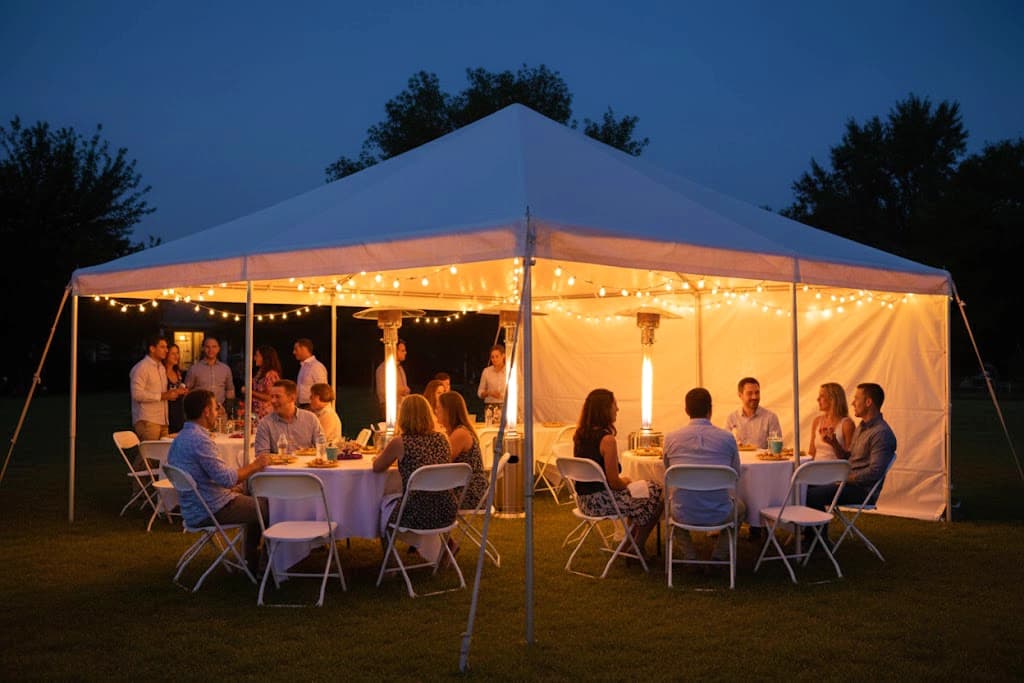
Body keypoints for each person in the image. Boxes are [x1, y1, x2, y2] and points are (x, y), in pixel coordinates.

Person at [167, 389, 270, 573]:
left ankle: (251, 559)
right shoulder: (200, 440)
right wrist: (256, 465)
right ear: (206, 411)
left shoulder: (180, 437)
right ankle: (266, 566)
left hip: (192, 506)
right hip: (209, 509)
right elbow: (227, 479)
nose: (218, 412)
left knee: (251, 500)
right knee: (268, 507)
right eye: (215, 408)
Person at [572, 388, 663, 559]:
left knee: (643, 493)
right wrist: (627, 481)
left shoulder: (579, 435)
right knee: (657, 492)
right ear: (605, 409)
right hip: (602, 502)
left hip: (584, 502)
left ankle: (629, 545)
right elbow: (614, 482)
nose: (617, 409)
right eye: (615, 405)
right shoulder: (607, 440)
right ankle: (636, 545)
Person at [662, 387, 745, 562]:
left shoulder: (670, 438)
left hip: (682, 511)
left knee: (669, 507)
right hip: (720, 512)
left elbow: (668, 473)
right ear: (710, 409)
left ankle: (690, 556)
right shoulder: (727, 438)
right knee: (742, 508)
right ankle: (719, 556)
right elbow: (735, 474)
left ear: (686, 410)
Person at [805, 383, 897, 539]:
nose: (853, 403)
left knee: (811, 494)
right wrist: (833, 443)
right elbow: (849, 457)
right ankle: (809, 535)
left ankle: (818, 542)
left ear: (868, 402)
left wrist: (844, 479)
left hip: (861, 490)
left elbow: (874, 472)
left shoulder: (881, 434)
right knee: (801, 486)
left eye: (856, 399)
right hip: (847, 483)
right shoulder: (862, 427)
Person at [373, 394, 457, 562]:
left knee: (381, 509)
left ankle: (389, 564)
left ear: (403, 416)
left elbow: (377, 467)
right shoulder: (443, 439)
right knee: (418, 498)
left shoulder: (400, 442)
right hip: (446, 510)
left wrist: (377, 457)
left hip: (415, 512)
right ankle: (444, 549)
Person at [437, 391, 488, 510]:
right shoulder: (455, 432)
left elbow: (441, 462)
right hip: (462, 487)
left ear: (448, 411)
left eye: (439, 408)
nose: (436, 411)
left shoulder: (460, 434)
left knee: (426, 499)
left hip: (470, 492)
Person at [129, 334, 183, 442]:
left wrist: (172, 393)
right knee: (149, 455)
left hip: (163, 420)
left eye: (167, 347)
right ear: (152, 349)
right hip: (148, 419)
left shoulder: (161, 368)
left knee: (162, 454)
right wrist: (162, 396)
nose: (166, 350)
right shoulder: (141, 368)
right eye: (162, 347)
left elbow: (161, 393)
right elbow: (137, 394)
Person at [254, 379, 325, 455]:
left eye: (277, 397)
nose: (273, 401)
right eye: (272, 396)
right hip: (278, 466)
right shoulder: (265, 423)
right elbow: (262, 455)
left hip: (306, 466)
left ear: (292, 398)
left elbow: (322, 448)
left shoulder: (311, 419)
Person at [724, 377, 782, 449]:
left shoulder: (770, 417)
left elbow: (775, 449)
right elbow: (726, 446)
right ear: (740, 395)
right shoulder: (732, 418)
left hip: (763, 460)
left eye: (757, 393)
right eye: (749, 393)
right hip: (739, 460)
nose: (754, 397)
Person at [185, 336, 236, 414]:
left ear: (219, 349)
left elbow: (230, 390)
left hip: (220, 411)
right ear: (203, 348)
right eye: (207, 347)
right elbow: (186, 391)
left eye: (214, 347)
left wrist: (228, 409)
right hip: (200, 412)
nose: (211, 350)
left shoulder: (225, 369)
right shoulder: (194, 369)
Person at [808, 382, 855, 461]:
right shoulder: (817, 421)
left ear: (833, 399)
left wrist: (834, 443)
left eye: (822, 396)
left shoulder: (847, 424)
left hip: (836, 470)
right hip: (816, 469)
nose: (818, 399)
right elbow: (812, 453)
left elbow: (850, 458)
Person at [375, 339, 410, 420]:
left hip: (401, 408)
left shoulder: (400, 368)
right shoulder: (383, 369)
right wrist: (400, 391)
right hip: (390, 410)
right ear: (394, 351)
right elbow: (382, 393)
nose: (405, 352)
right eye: (402, 350)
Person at [246, 345, 282, 420]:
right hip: (257, 413)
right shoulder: (260, 372)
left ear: (265, 358)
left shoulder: (271, 375)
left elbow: (270, 397)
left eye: (257, 356)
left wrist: (249, 391)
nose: (254, 358)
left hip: (266, 414)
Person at [293, 338, 327, 409]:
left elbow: (322, 390)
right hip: (303, 406)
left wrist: (315, 407)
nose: (294, 352)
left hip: (311, 406)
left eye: (296, 349)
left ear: (304, 349)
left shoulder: (316, 366)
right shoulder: (303, 367)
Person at [164, 343, 187, 433]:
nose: (176, 356)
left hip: (179, 412)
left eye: (177, 353)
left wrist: (184, 391)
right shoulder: (161, 372)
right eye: (173, 353)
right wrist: (176, 391)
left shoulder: (177, 372)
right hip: (167, 412)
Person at [477, 344, 507, 410]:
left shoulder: (509, 371)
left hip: (506, 406)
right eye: (492, 357)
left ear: (503, 356)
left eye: (497, 356)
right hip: (490, 406)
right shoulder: (486, 371)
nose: (494, 359)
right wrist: (489, 393)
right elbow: (480, 392)